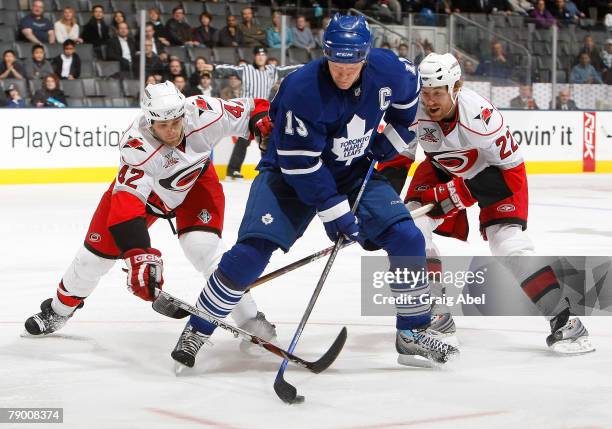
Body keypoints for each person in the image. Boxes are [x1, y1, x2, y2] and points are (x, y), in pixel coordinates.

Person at [170, 14, 459, 371]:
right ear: (326, 54)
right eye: (337, 63)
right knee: (251, 252)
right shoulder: (301, 88)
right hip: (287, 175)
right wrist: (334, 212)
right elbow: (300, 164)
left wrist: (392, 142)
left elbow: (407, 111)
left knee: (407, 238)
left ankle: (412, 331)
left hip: (352, 172)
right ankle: (198, 327)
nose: (343, 72)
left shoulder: (394, 71)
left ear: (366, 56)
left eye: (352, 64)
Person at [24, 81, 277, 358]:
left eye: (175, 121)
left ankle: (251, 320)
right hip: (146, 199)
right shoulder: (137, 143)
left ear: (184, 112)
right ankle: (58, 312)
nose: (171, 130)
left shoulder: (204, 112)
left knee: (204, 250)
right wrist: (138, 254)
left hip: (195, 186)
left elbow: (253, 109)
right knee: (93, 259)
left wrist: (262, 123)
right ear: (149, 121)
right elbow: (127, 203)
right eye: (162, 125)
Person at [377, 53, 594, 355]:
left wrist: (455, 195)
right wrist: (378, 206)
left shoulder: (479, 116)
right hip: (442, 166)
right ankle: (435, 315)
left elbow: (506, 174)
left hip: (497, 175)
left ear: (456, 88)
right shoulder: (412, 107)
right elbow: (398, 157)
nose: (430, 101)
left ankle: (565, 321)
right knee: (411, 228)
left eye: (438, 93)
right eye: (425, 93)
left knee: (508, 245)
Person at [214, 46, 301, 179]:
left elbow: (288, 70)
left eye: (263, 55)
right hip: (248, 110)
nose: (261, 57)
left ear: (266, 57)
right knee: (244, 141)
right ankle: (233, 170)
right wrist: (214, 68)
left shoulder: (272, 70)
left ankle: (266, 168)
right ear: (254, 57)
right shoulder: (246, 69)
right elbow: (230, 69)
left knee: (266, 137)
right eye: (258, 55)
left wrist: (309, 66)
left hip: (262, 110)